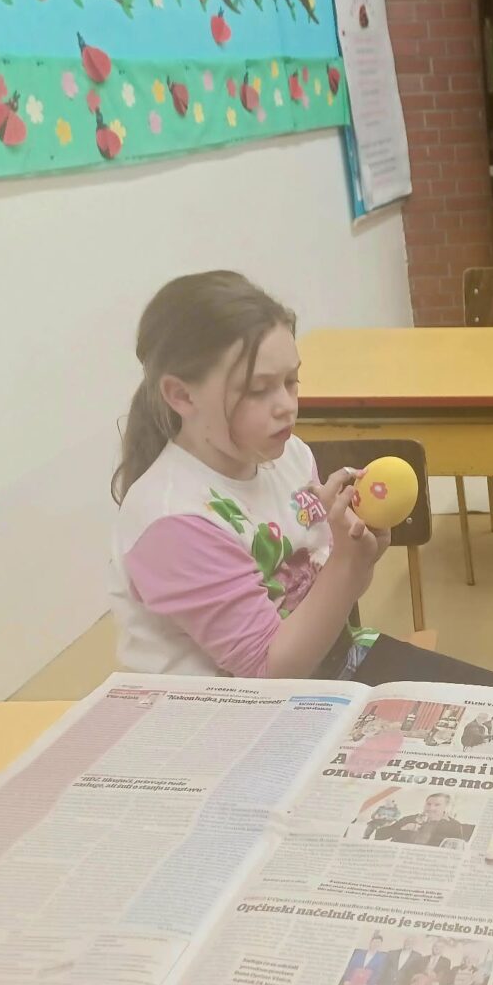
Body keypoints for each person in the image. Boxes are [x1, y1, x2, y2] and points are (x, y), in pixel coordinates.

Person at [108, 271, 389, 679]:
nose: (286, 406)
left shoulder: (289, 456)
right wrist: (346, 567)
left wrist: (357, 556)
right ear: (182, 395)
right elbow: (269, 673)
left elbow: (321, 594)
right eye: (258, 390)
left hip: (324, 669)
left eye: (291, 381)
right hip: (230, 710)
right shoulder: (171, 520)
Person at [373, 794, 467, 848]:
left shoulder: (454, 825)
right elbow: (379, 835)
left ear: (445, 807)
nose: (431, 808)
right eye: (428, 804)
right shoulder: (409, 819)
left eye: (437, 805)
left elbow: (457, 848)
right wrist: (403, 828)